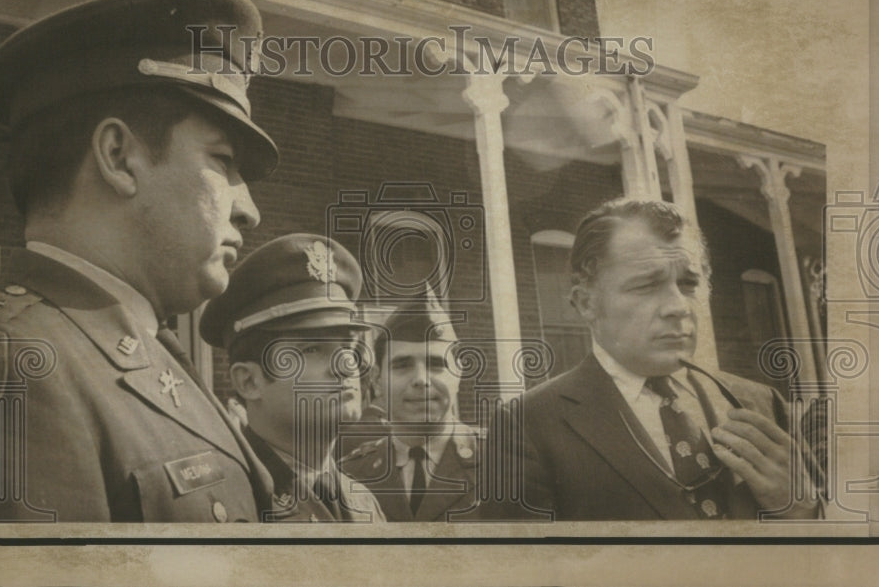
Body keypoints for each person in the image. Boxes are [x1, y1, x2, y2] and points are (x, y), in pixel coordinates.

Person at [0, 0, 278, 522]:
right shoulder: (5, 362)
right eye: (223, 161)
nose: (250, 209)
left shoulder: (139, 346)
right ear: (119, 157)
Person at [494, 198, 820, 520]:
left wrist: (804, 511)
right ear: (586, 303)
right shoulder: (527, 425)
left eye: (689, 283)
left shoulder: (761, 402)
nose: (678, 307)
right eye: (647, 286)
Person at [200, 234, 386, 523]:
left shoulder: (363, 502)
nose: (346, 365)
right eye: (312, 349)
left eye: (348, 346)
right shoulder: (217, 505)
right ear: (249, 382)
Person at [341, 296, 483, 522]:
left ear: (458, 375)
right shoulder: (351, 474)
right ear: (377, 379)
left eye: (436, 365)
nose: (420, 379)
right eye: (402, 366)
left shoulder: (504, 461)